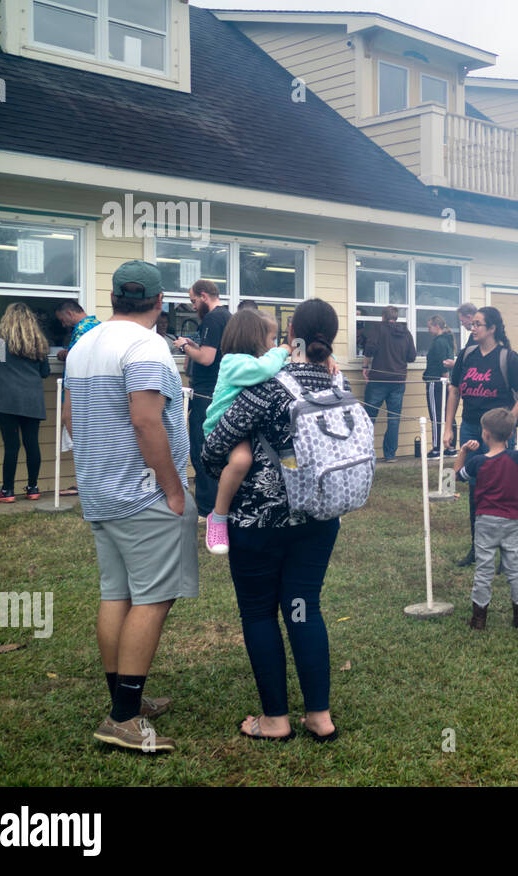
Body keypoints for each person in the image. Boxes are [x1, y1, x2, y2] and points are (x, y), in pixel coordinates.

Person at [63, 261, 197, 753]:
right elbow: (146, 421)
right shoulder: (148, 346)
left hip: (100, 492)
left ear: (114, 297)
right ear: (160, 304)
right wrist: (173, 489)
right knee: (153, 599)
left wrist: (100, 467)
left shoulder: (83, 344)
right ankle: (123, 718)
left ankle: (123, 701)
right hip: (144, 495)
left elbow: (72, 417)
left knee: (115, 594)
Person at [201, 298, 346, 743]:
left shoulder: (265, 386)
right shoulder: (337, 384)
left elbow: (212, 451)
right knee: (303, 608)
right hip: (319, 516)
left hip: (257, 523)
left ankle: (275, 720)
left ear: (289, 336)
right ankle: (319, 717)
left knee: (260, 613)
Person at [444, 306, 518, 566]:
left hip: (499, 435)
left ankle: (507, 553)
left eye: (478, 324)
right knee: (474, 489)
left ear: (492, 328)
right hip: (471, 428)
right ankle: (477, 548)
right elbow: (454, 391)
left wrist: (507, 421)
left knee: (503, 490)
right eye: (472, 324)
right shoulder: (467, 355)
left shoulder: (508, 357)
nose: (473, 328)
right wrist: (449, 427)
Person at [200, 309, 293, 556]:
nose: (274, 345)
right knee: (242, 460)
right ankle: (218, 516)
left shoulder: (258, 361)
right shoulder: (233, 362)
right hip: (225, 428)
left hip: (248, 425)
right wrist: (282, 350)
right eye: (271, 339)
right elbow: (265, 370)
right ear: (254, 338)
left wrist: (328, 359)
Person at [454, 407, 518, 630]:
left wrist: (463, 451)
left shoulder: (477, 462)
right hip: (510, 521)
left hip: (485, 521)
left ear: (485, 434)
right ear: (510, 435)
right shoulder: (517, 458)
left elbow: (455, 477)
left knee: (483, 570)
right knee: (515, 569)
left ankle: (478, 619)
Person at [0, 303, 50, 502]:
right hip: (31, 399)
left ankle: (7, 491)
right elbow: (45, 373)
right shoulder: (37, 340)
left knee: (11, 445)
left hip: (5, 398)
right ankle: (33, 488)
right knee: (32, 443)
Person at [174, 280, 230, 517]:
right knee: (221, 452)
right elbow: (213, 352)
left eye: (194, 300)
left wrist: (183, 347)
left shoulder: (212, 319)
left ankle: (207, 510)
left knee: (201, 450)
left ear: (204, 296)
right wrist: (194, 344)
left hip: (207, 394)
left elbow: (206, 358)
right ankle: (224, 505)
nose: (193, 306)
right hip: (222, 392)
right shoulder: (228, 316)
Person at [361, 305, 415, 462]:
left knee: (369, 417)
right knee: (394, 419)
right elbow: (411, 356)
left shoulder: (378, 328)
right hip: (398, 380)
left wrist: (365, 367)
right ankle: (390, 455)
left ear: (383, 316)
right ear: (396, 317)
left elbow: (369, 349)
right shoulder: (406, 332)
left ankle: (365, 453)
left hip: (378, 379)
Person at [423, 314, 457, 457]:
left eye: (430, 327)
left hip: (435, 382)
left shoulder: (439, 342)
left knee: (436, 415)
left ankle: (437, 448)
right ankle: (451, 447)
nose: (429, 330)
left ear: (437, 326)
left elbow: (443, 364)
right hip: (444, 382)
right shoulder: (447, 340)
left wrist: (445, 378)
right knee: (448, 414)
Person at [443, 302, 478, 370]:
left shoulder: (479, 338)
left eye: (462, 321)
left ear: (469, 317)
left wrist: (455, 364)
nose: (462, 324)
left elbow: (474, 363)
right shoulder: (473, 336)